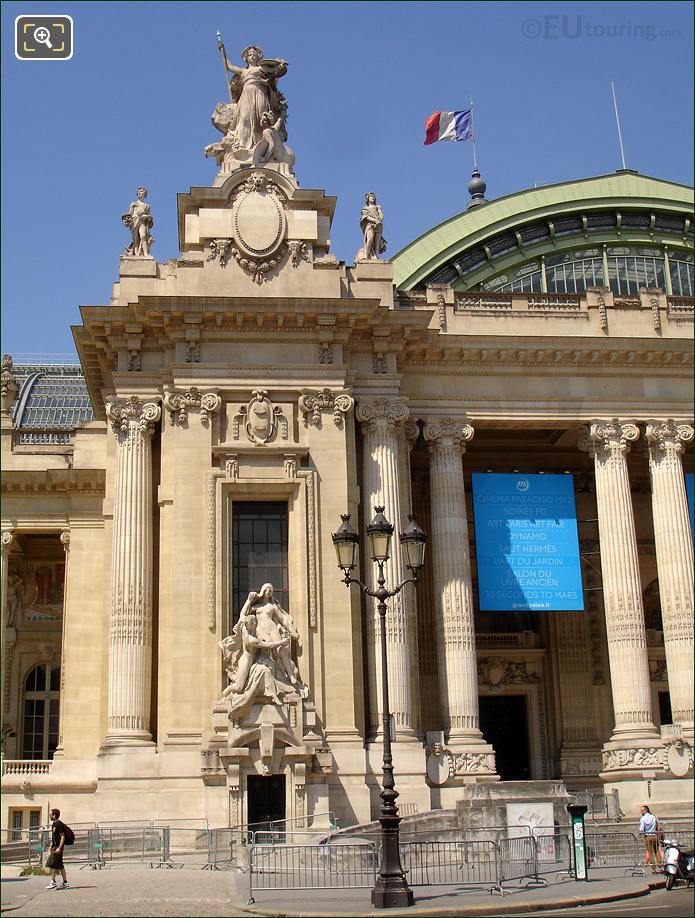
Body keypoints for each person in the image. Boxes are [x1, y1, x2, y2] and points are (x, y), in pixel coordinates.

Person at [219, 45, 288, 151]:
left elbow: (276, 74)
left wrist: (281, 66)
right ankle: (243, 144)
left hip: (260, 93)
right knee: (245, 117)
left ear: (258, 57)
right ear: (246, 58)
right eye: (250, 55)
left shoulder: (262, 68)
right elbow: (229, 66)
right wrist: (223, 51)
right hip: (246, 95)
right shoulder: (243, 71)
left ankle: (264, 144)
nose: (252, 56)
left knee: (262, 118)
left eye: (254, 54)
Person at [356, 192, 387, 261]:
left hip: (379, 226)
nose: (372, 198)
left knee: (376, 243)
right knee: (370, 239)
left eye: (373, 197)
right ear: (367, 199)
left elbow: (381, 217)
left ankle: (376, 256)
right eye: (371, 197)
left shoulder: (377, 208)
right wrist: (374, 220)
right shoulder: (365, 209)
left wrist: (379, 209)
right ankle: (365, 255)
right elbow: (366, 217)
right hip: (370, 225)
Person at [45, 808, 69, 890]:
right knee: (59, 865)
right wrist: (51, 844)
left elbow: (62, 836)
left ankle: (53, 882)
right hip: (54, 846)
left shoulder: (59, 824)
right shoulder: (54, 824)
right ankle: (65, 883)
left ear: (54, 815)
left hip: (57, 848)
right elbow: (55, 836)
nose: (50, 816)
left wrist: (59, 847)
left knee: (52, 863)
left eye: (50, 815)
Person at [639, 804, 661, 871]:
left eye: (642, 810)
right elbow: (657, 825)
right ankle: (660, 864)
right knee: (657, 850)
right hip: (654, 835)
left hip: (648, 836)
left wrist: (640, 830)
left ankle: (653, 867)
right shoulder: (653, 817)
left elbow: (641, 829)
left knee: (650, 852)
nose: (641, 812)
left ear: (645, 810)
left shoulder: (643, 818)